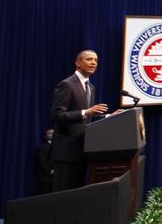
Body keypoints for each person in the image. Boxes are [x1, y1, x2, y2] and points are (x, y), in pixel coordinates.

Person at [50, 49, 108, 191]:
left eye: (96, 60)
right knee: (63, 195)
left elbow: (84, 118)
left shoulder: (90, 87)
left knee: (77, 197)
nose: (93, 63)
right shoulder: (67, 84)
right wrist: (85, 111)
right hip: (66, 152)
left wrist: (109, 117)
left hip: (82, 149)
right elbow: (57, 115)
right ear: (78, 63)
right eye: (89, 59)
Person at [35, 128, 55, 194]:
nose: (52, 134)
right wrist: (50, 170)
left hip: (56, 177)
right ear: (45, 136)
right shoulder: (42, 147)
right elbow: (41, 161)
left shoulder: (58, 147)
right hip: (46, 177)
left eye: (53, 133)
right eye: (50, 133)